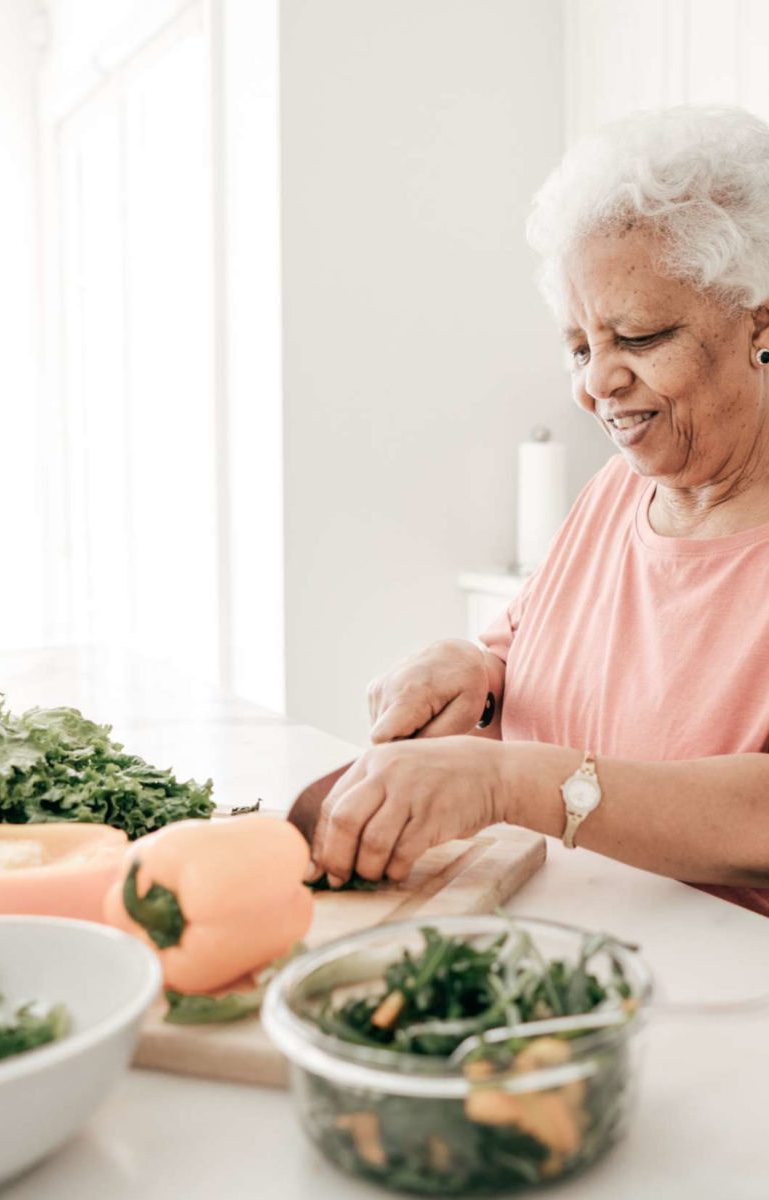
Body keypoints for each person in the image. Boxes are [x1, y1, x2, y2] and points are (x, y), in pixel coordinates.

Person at [307, 105, 769, 917]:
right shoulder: (615, 492)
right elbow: (524, 666)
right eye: (580, 346)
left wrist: (508, 783)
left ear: (761, 328)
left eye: (639, 338)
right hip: (558, 952)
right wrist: (473, 676)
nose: (597, 383)